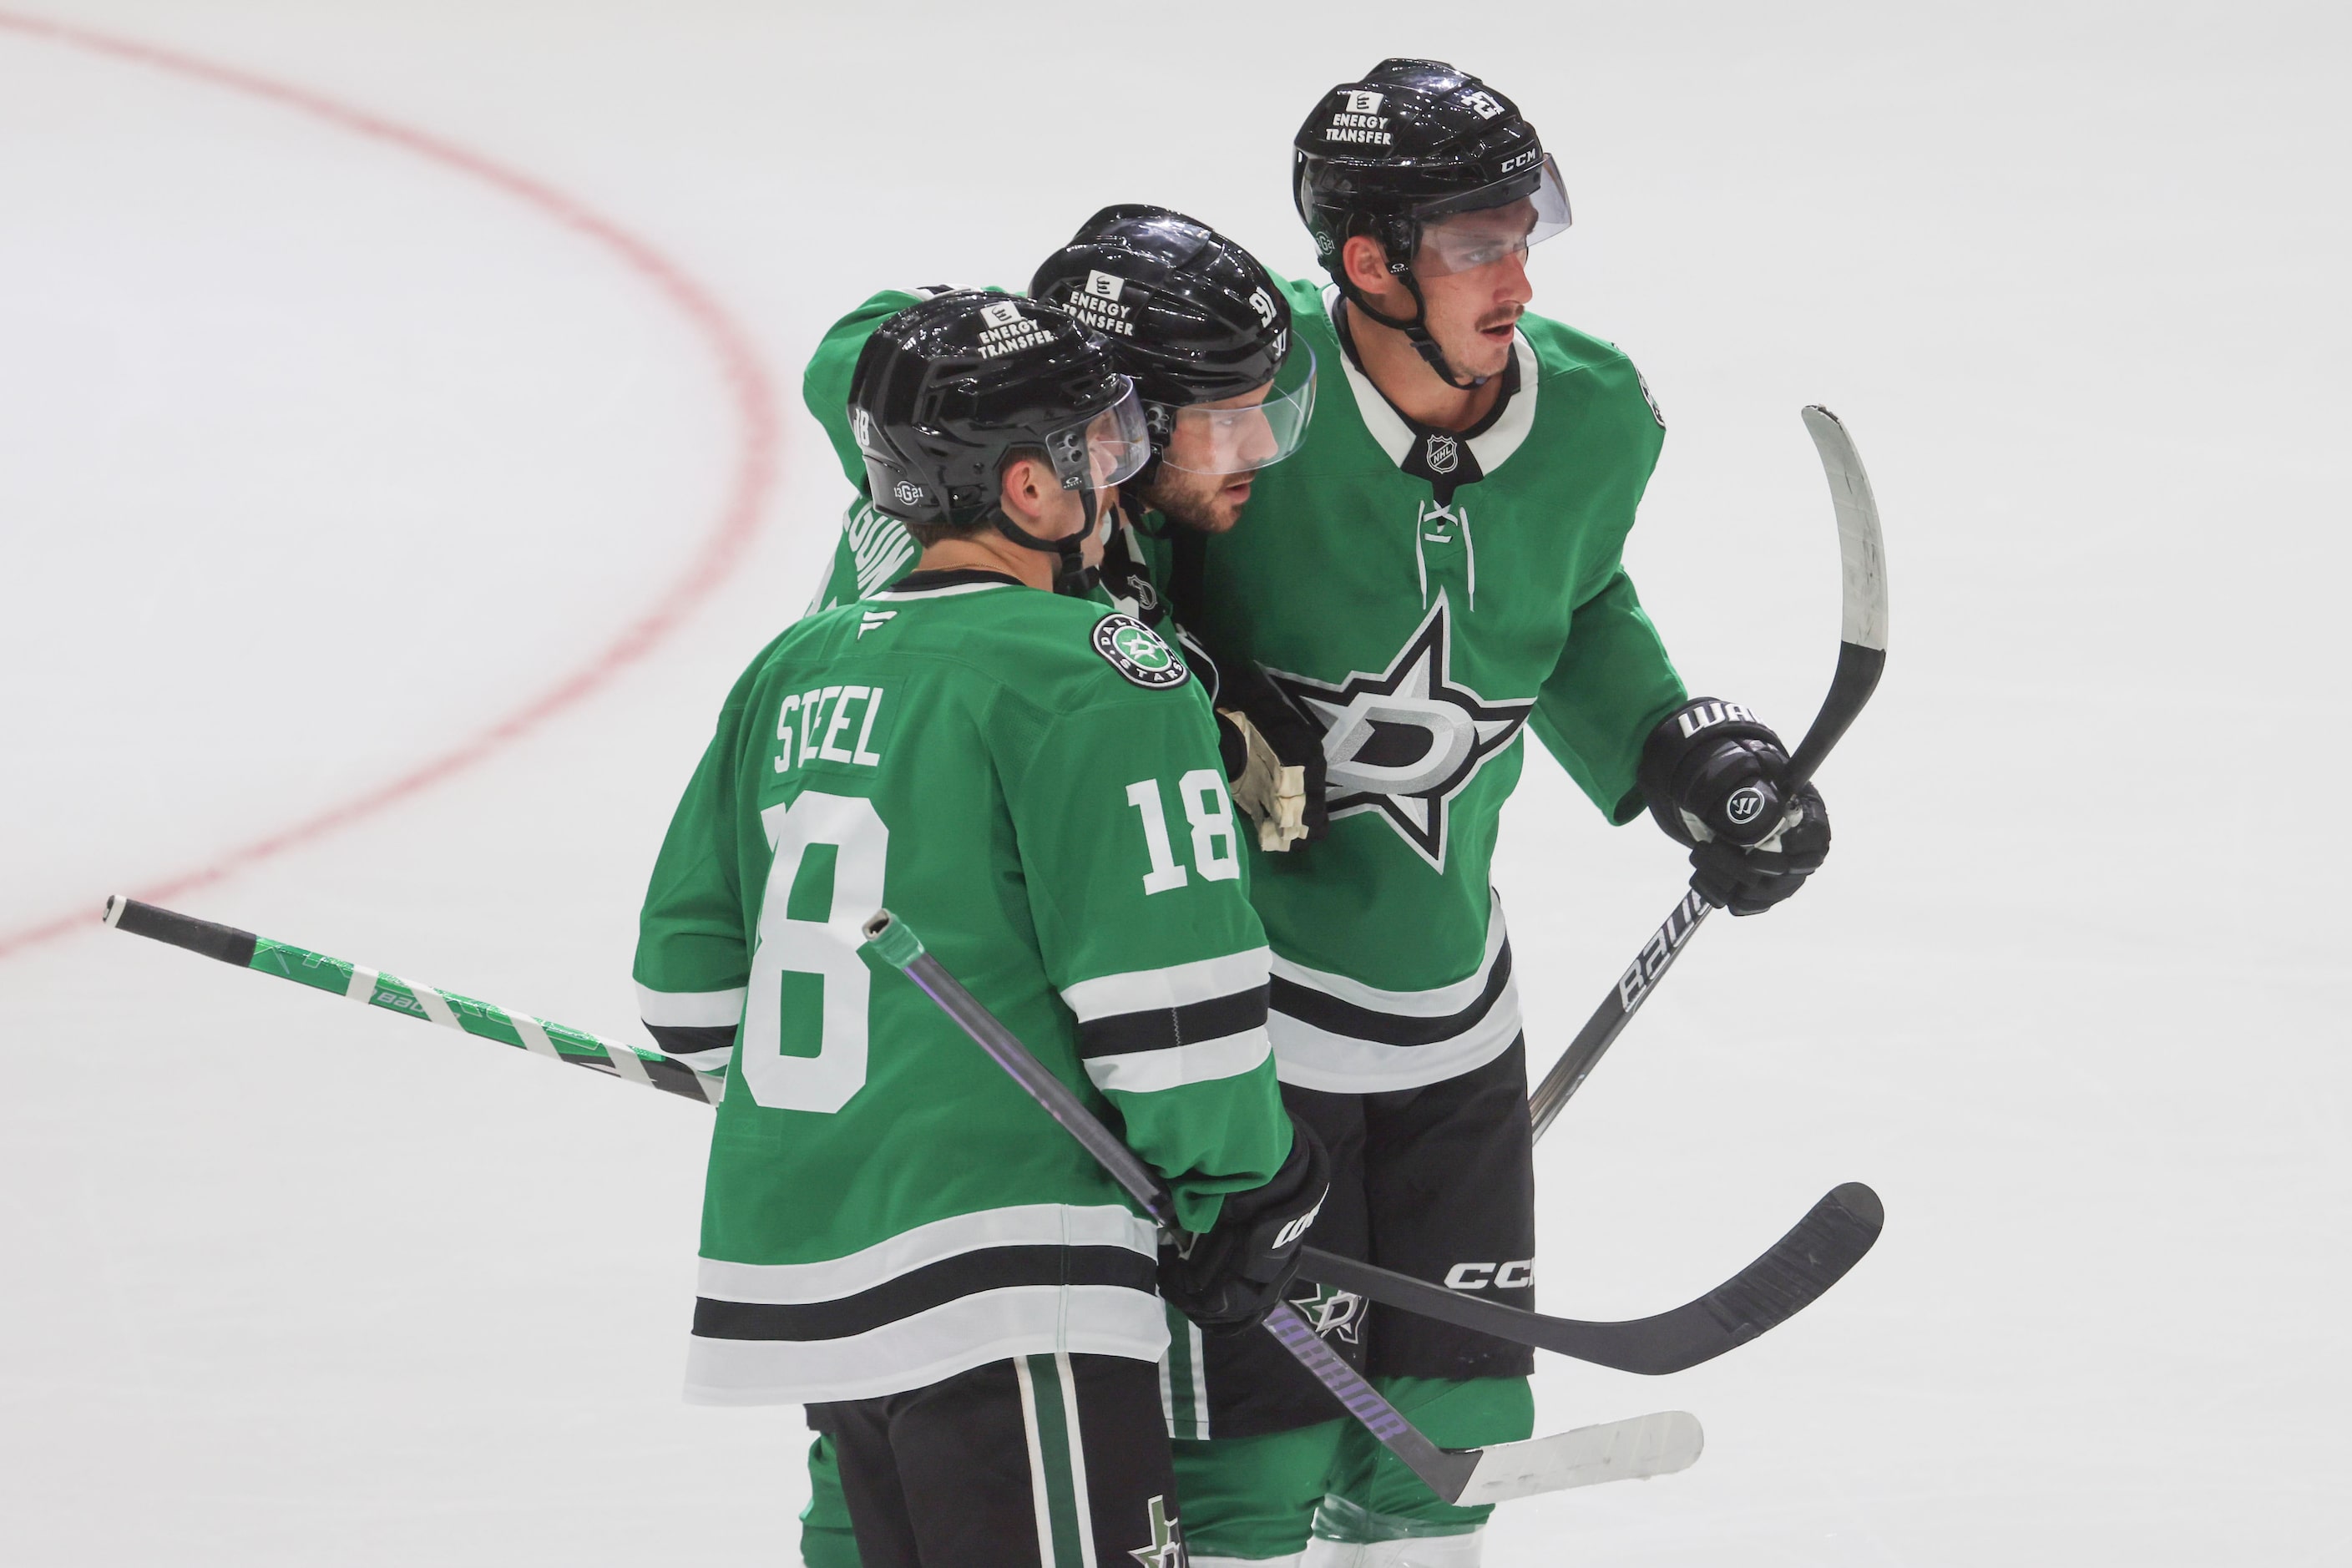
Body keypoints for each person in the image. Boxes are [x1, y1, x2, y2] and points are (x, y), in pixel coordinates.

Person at [1159, 59, 1836, 1566]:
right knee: (1247, 1480)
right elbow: (923, 412)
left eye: (1523, 232)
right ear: (1364, 261)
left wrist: (1682, 748)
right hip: (1238, 1020)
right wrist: (1194, 689)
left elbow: (1573, 599)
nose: (1518, 275)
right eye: (1474, 244)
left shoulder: (1593, 411)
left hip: (1455, 1011)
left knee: (1442, 1457)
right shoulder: (1234, 389)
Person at [631, 291, 1328, 1567]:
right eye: (1099, 448)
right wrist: (1249, 1180)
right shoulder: (1095, 668)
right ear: (1027, 487)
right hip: (1010, 1281)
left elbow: (685, 995)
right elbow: (1169, 1003)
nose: (1120, 477)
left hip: (818, 1285)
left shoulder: (794, 667)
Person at [801, 208, 1330, 856]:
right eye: (1226, 420)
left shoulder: (1046, 504)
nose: (1261, 445)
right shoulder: (989, 525)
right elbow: (856, 353)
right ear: (1136, 417)